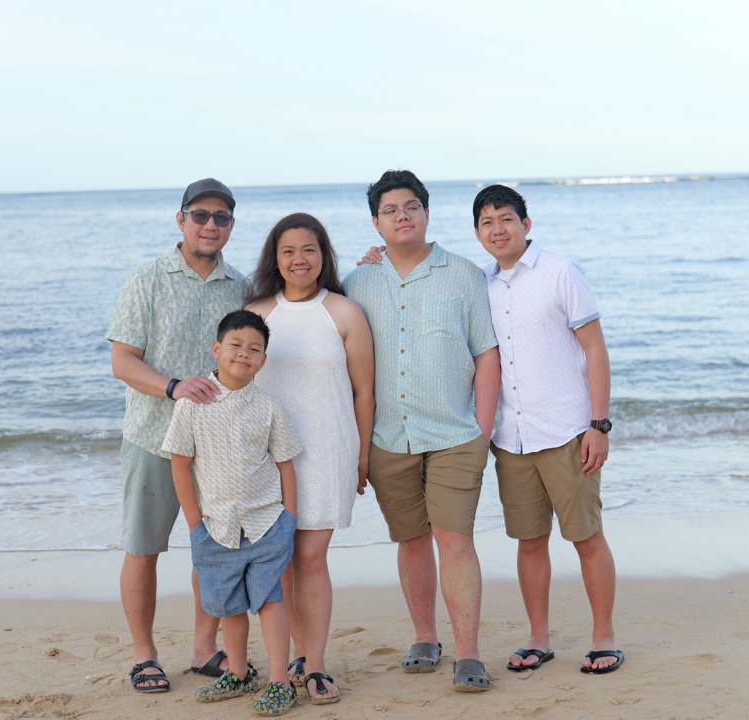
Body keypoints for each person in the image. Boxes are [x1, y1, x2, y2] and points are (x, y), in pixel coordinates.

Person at [342, 170, 500, 692]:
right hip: (390, 437)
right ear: (376, 222)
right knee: (411, 542)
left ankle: (469, 654)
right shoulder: (357, 281)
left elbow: (487, 354)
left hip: (456, 434)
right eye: (391, 210)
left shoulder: (464, 275)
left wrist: (482, 428)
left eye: (411, 207)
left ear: (427, 213)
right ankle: (425, 638)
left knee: (455, 541)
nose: (402, 216)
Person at [472, 184, 623, 675]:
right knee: (530, 540)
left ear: (526, 224)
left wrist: (598, 425)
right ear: (478, 233)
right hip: (511, 438)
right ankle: (539, 638)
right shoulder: (483, 286)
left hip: (567, 431)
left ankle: (604, 636)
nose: (498, 229)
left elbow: (595, 350)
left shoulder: (561, 272)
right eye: (487, 222)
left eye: (506, 219)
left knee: (586, 536)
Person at [106, 178, 246, 693]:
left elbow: (300, 292)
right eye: (201, 215)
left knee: (211, 546)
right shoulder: (148, 278)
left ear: (231, 225)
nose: (211, 225)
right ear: (181, 219)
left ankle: (205, 649)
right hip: (152, 437)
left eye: (222, 217)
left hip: (217, 445)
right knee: (143, 548)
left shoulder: (242, 286)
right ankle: (144, 655)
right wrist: (172, 387)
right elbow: (122, 360)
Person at [244, 213, 375, 704]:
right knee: (280, 561)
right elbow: (238, 385)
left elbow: (364, 392)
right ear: (275, 259)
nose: (299, 259)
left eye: (309, 249)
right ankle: (297, 654)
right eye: (288, 251)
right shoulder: (259, 312)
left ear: (324, 255)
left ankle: (315, 664)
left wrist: (361, 456)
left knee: (311, 556)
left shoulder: (343, 312)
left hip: (328, 449)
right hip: (266, 458)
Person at [162, 310, 301, 716]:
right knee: (228, 605)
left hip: (266, 524)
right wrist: (194, 522)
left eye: (254, 349)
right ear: (217, 349)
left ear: (263, 360)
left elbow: (285, 463)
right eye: (236, 346)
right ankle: (238, 673)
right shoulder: (193, 404)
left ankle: (280, 680)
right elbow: (179, 462)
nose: (244, 354)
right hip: (214, 527)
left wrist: (288, 518)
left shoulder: (268, 406)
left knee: (271, 599)